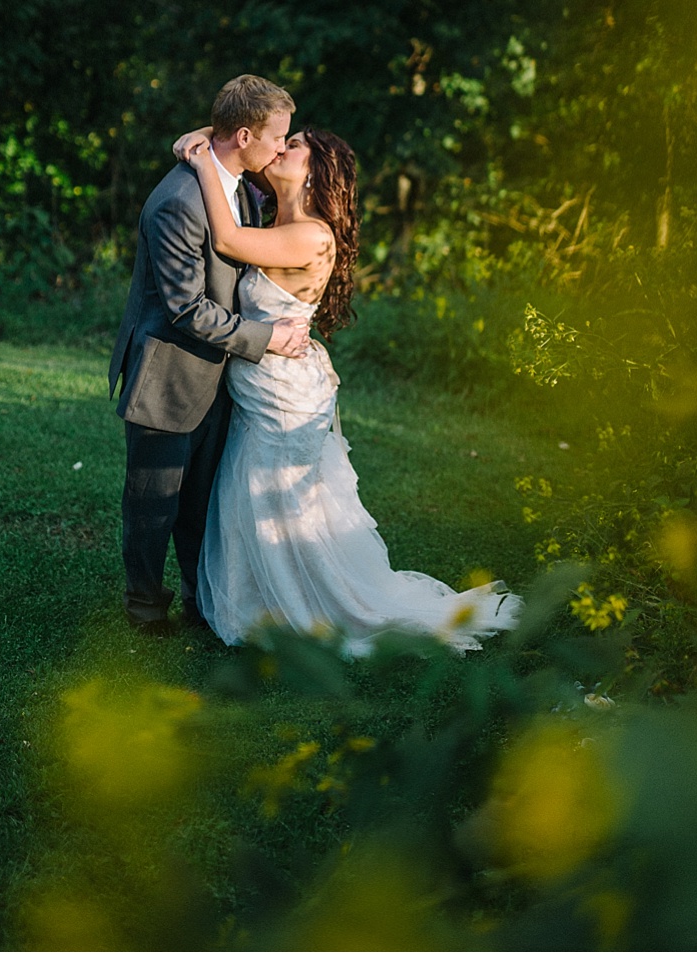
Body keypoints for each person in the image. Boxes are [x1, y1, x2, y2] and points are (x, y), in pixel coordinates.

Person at [171, 120, 522, 656]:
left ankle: (312, 608)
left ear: (316, 174)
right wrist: (215, 138)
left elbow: (225, 239)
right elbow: (240, 142)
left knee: (280, 500)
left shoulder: (310, 233)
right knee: (255, 493)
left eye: (293, 147)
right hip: (268, 390)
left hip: (283, 399)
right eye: (282, 142)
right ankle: (265, 598)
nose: (280, 150)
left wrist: (199, 161)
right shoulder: (279, 216)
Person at [108, 75, 311, 635]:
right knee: (154, 507)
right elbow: (186, 309)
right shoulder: (179, 201)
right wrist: (265, 338)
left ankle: (205, 604)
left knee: (200, 506)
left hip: (218, 378)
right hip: (168, 376)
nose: (279, 149)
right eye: (276, 138)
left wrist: (200, 135)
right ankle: (146, 608)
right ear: (244, 135)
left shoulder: (240, 182)